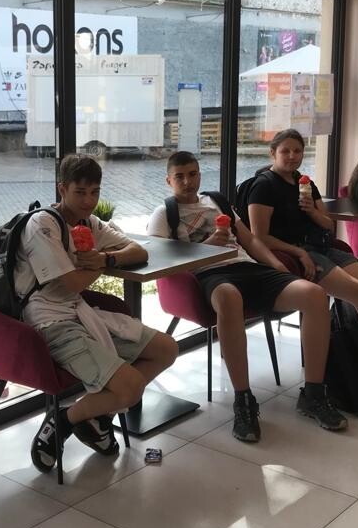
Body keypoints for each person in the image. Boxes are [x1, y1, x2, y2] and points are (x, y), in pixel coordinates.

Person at [147, 151, 345, 440]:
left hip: (249, 268)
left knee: (314, 294)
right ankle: (243, 401)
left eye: (192, 174)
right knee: (229, 297)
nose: (188, 181)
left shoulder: (216, 201)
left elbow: (249, 239)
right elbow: (160, 260)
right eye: (180, 177)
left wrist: (276, 265)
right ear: (169, 181)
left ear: (200, 174)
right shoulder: (164, 213)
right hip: (209, 275)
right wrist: (206, 247)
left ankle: (314, 393)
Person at [18, 154, 179, 472]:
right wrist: (98, 263)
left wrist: (104, 259)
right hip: (49, 322)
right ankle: (63, 419)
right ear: (62, 189)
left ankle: (94, 415)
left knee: (167, 349)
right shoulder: (43, 225)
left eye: (95, 192)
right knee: (131, 388)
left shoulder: (89, 223)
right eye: (80, 192)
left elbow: (138, 251)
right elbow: (72, 283)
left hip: (81, 313)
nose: (88, 201)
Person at [246, 129, 358, 381]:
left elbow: (328, 225)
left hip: (320, 247)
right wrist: (297, 251)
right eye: (285, 151)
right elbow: (259, 236)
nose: (292, 156)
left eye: (297, 151)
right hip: (294, 254)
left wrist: (312, 211)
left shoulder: (304, 182)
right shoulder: (264, 186)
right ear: (273, 153)